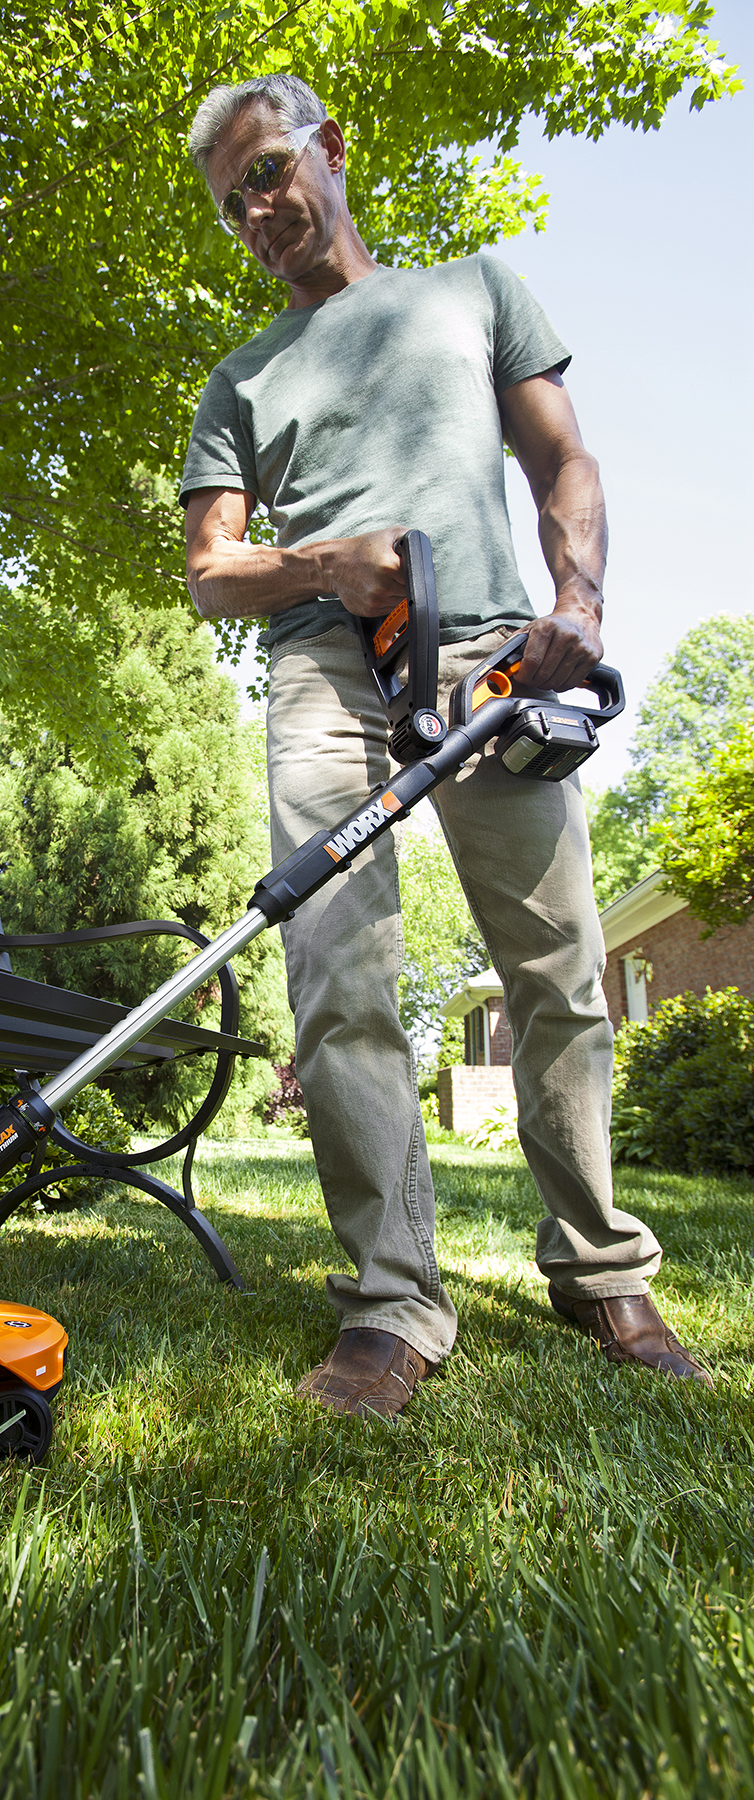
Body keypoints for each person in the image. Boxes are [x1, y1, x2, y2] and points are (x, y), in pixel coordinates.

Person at [179, 73, 710, 1417]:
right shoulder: (239, 377)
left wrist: (577, 606)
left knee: (559, 969)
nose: (258, 206)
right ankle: (393, 1304)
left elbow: (566, 464)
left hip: (490, 661)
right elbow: (211, 569)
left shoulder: (474, 289)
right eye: (233, 198)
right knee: (337, 974)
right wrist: (326, 562)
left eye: (269, 169)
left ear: (329, 150)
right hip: (322, 666)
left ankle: (599, 1267)